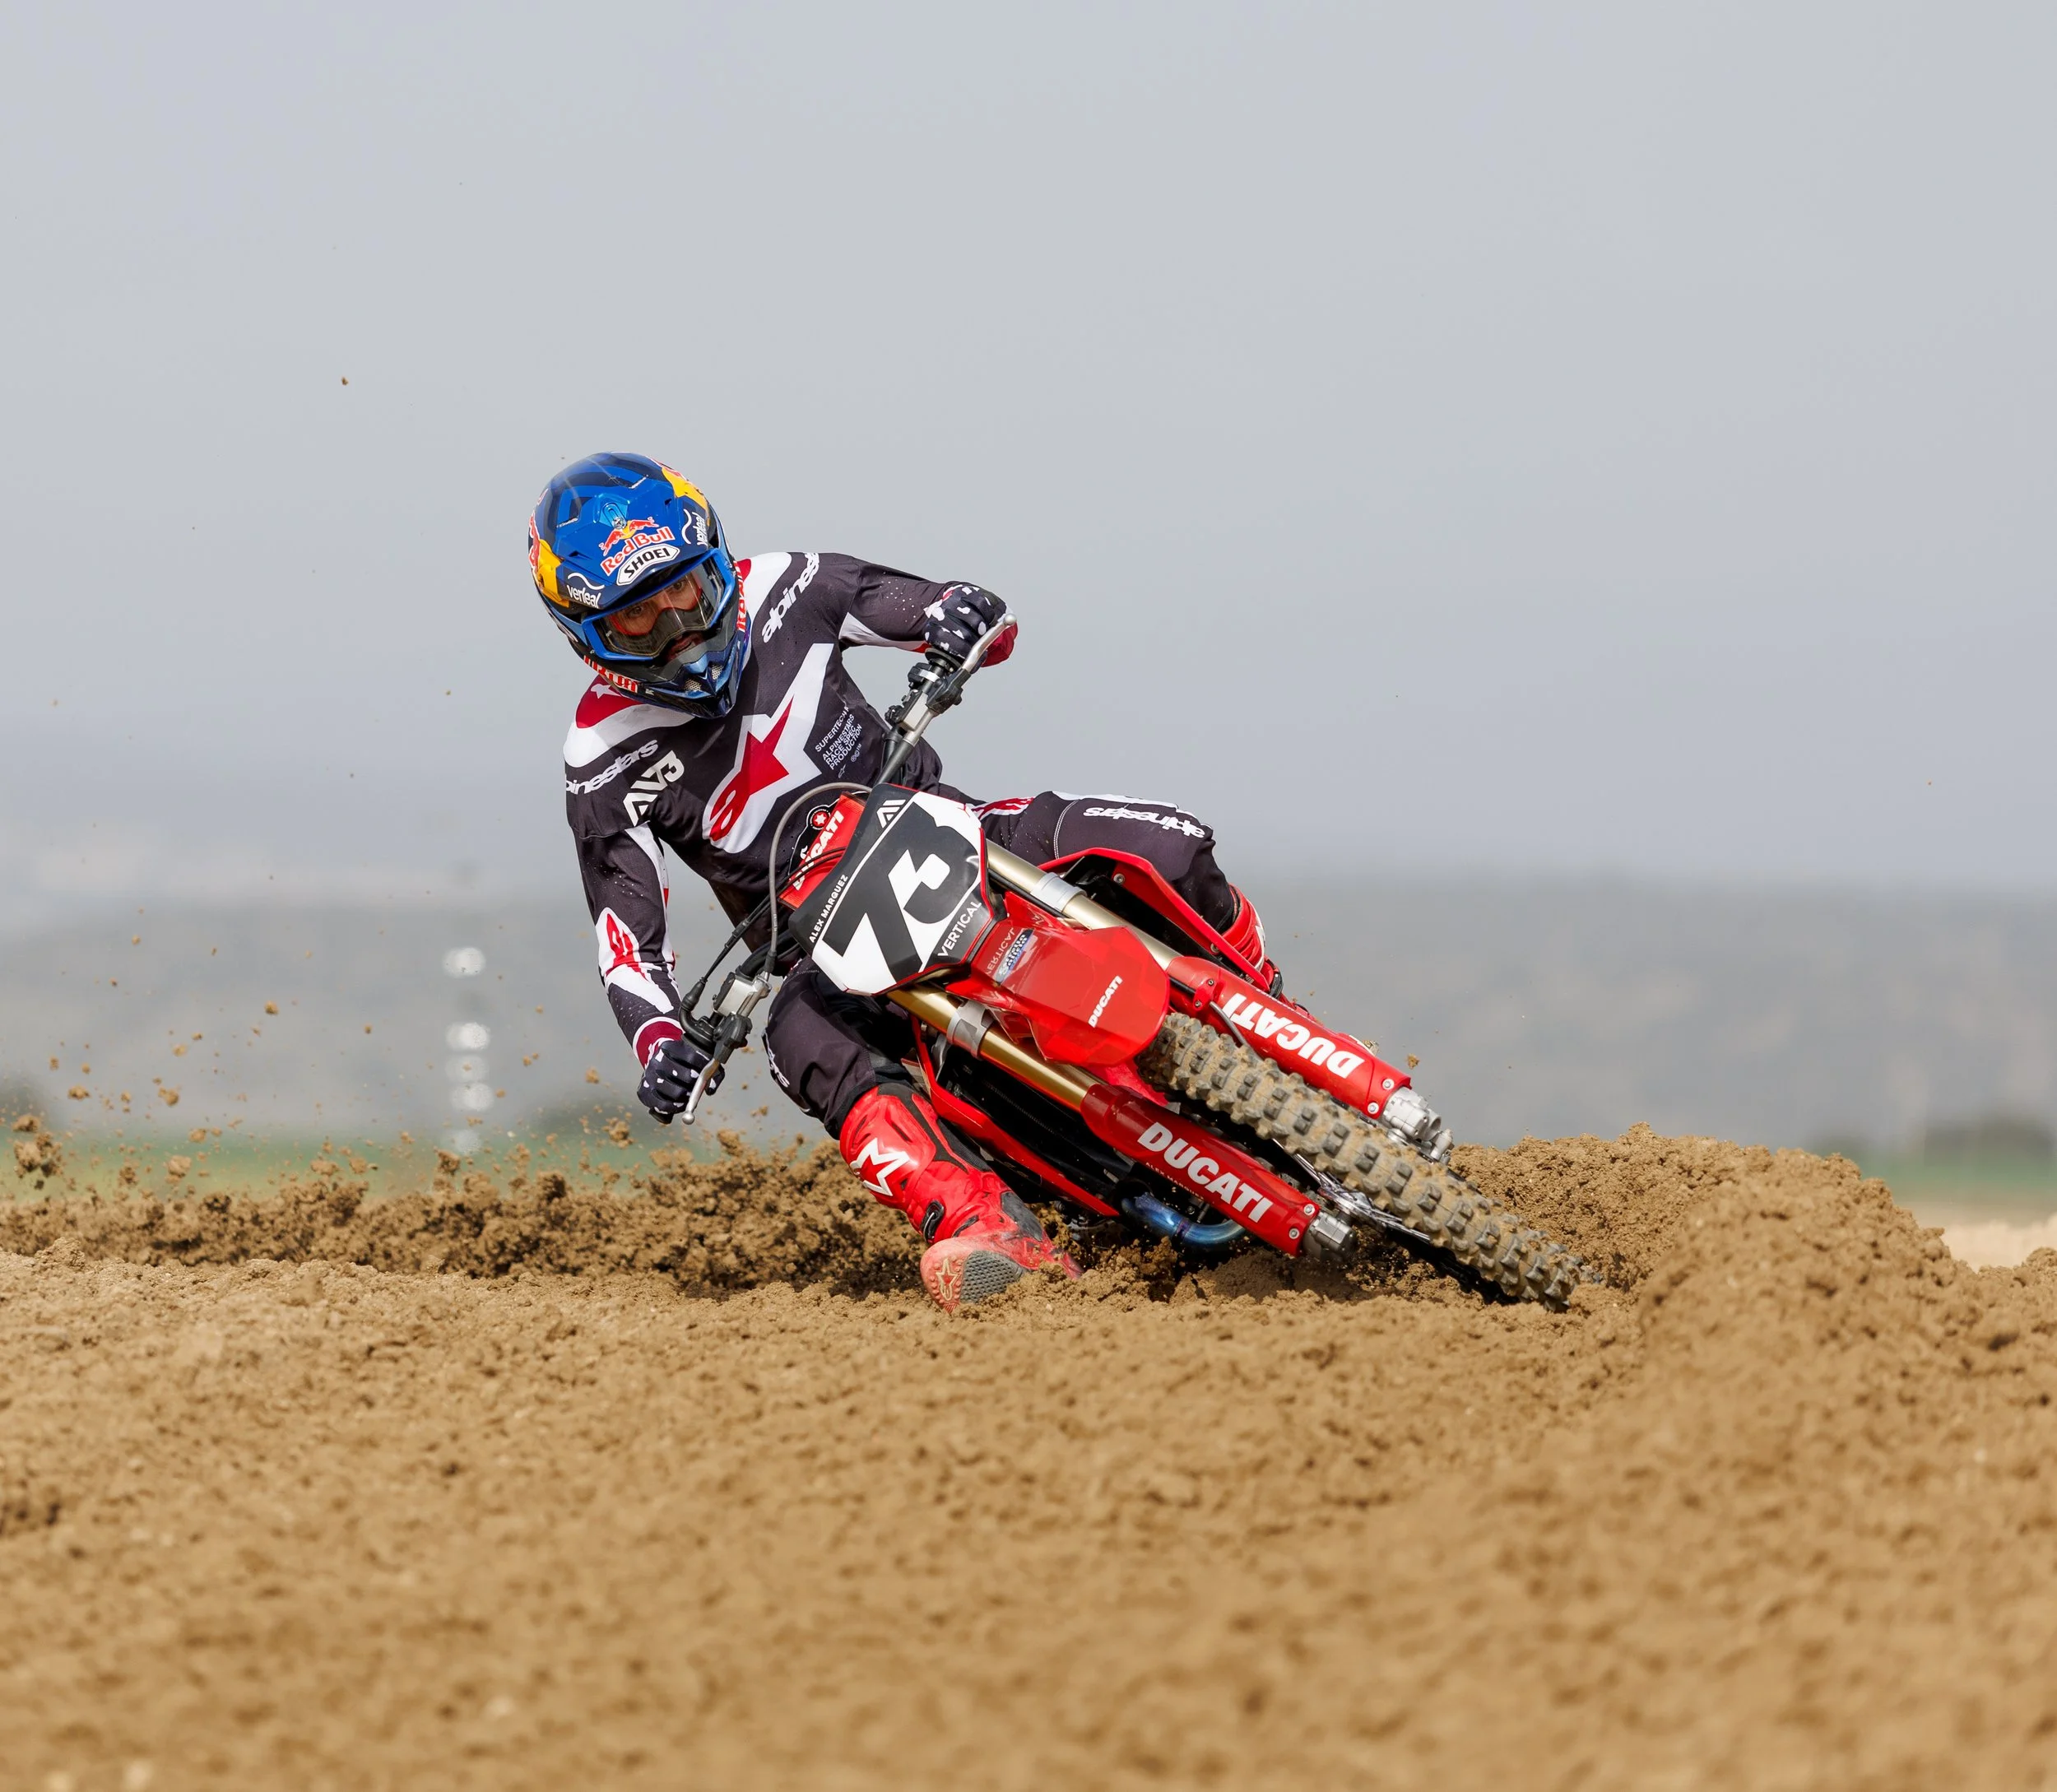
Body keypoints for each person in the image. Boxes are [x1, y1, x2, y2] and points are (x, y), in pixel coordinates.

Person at [532, 453, 1280, 1311]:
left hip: (957, 830)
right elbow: (627, 944)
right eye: (640, 622)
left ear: (717, 562)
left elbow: (948, 611)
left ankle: (1264, 1020)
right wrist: (661, 1044)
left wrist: (967, 618)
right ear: (585, 637)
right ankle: (986, 1227)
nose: (681, 632)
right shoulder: (602, 759)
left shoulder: (788, 586)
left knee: (1162, 843)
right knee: (797, 1041)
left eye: (689, 594)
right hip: (827, 946)